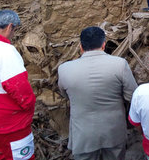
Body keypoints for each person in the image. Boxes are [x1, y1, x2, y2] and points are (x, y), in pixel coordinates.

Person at [58, 26, 138, 160]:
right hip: (113, 131)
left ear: (81, 47)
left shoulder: (64, 69)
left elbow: (66, 94)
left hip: (83, 134)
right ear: (104, 45)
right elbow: (132, 96)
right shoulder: (120, 64)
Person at [0, 10, 36, 160]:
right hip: (10, 124)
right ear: (9, 27)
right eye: (14, 30)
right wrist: (29, 108)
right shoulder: (4, 51)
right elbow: (19, 89)